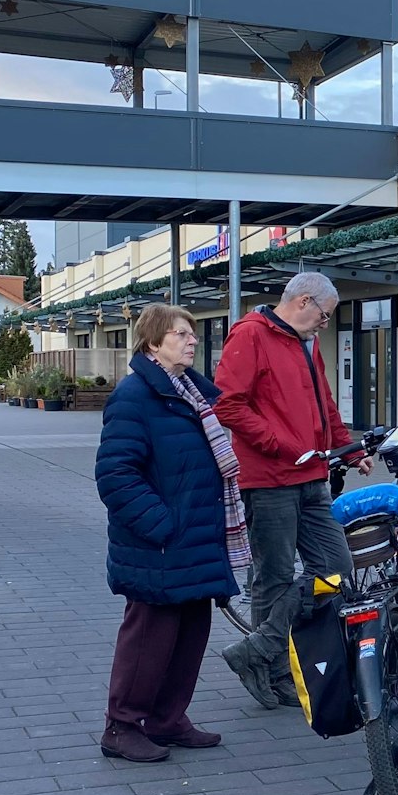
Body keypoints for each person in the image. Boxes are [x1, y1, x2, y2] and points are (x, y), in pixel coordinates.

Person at [94, 305, 247, 763]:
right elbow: (116, 474)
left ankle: (167, 719)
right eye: (180, 334)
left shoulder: (192, 395)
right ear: (153, 343)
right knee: (150, 636)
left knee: (190, 633)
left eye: (193, 335)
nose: (192, 341)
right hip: (160, 544)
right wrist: (162, 526)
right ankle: (121, 726)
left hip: (197, 539)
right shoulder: (135, 396)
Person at [212, 271, 366, 710]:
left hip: (311, 477)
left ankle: (255, 651)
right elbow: (228, 404)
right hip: (269, 479)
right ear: (303, 301)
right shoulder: (250, 336)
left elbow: (324, 404)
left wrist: (348, 450)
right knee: (274, 576)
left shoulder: (305, 344)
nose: (325, 323)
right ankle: (276, 671)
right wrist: (280, 445)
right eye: (325, 314)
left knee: (336, 565)